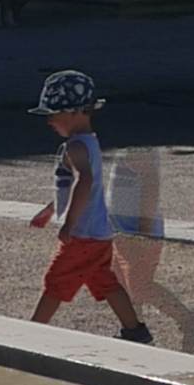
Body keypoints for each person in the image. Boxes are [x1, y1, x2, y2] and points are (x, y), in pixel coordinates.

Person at [26, 69, 153, 340]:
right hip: (99, 233)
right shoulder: (87, 142)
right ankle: (135, 331)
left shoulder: (75, 148)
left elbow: (84, 182)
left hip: (82, 235)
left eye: (54, 114)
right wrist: (51, 210)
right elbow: (73, 187)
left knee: (55, 282)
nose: (49, 121)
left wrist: (69, 224)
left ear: (74, 113)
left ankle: (30, 334)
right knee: (104, 281)